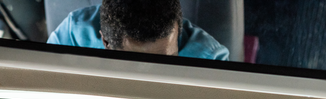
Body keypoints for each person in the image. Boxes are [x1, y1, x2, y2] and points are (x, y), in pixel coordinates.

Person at [46, 0, 229, 60]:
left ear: (178, 32)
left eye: (166, 60)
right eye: (133, 61)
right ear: (106, 43)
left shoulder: (211, 58)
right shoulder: (72, 35)